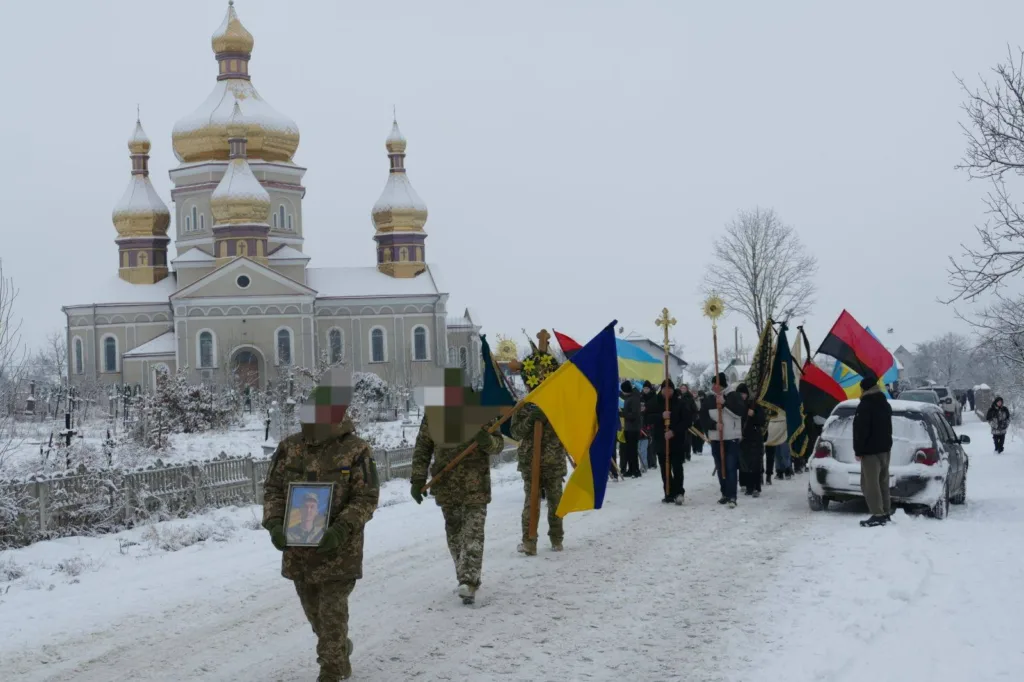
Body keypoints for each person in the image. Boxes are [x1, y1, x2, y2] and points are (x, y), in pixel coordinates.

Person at [262, 369, 380, 682]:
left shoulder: (356, 450)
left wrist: (341, 529)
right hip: (299, 550)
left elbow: (366, 497)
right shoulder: (290, 448)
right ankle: (337, 648)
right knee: (315, 613)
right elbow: (273, 489)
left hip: (339, 550)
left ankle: (332, 669)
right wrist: (274, 524)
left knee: (331, 612)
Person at [410, 412, 505, 605]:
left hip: (475, 484)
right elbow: (423, 447)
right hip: (446, 485)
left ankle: (468, 581)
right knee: (455, 536)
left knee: (473, 533)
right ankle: (465, 575)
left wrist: (487, 441)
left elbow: (498, 445)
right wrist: (418, 478)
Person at [511, 403, 569, 555]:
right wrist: (530, 419)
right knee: (531, 503)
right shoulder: (523, 406)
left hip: (554, 462)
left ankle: (556, 539)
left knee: (555, 502)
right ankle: (529, 541)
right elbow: (516, 433)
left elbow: (568, 430)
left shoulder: (558, 404)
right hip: (530, 463)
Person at [853, 373, 893, 527]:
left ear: (865, 389)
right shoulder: (884, 403)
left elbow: (860, 430)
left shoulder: (865, 405)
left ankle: (877, 514)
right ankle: (886, 511)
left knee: (870, 484)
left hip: (870, 451)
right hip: (885, 449)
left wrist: (858, 450)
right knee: (883, 481)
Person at [700, 373, 745, 507]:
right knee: (721, 467)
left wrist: (725, 404)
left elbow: (740, 413)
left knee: (730, 467)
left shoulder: (734, 396)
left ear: (722, 385)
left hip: (731, 437)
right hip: (716, 438)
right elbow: (703, 417)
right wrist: (714, 426)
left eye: (716, 384)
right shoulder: (709, 399)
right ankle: (724, 493)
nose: (714, 386)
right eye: (713, 384)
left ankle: (732, 496)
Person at [645, 379, 690, 504]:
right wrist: (661, 416)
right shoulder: (654, 402)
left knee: (677, 467)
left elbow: (687, 421)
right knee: (665, 468)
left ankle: (679, 492)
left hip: (677, 441)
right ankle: (669, 492)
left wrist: (673, 431)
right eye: (665, 389)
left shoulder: (680, 403)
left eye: (670, 389)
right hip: (661, 440)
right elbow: (646, 418)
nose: (667, 392)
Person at [736, 383, 766, 497]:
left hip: (754, 438)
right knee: (745, 464)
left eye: (743, 394)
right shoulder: (736, 406)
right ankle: (748, 486)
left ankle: (756, 487)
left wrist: (753, 415)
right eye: (739, 394)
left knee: (755, 463)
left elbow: (762, 421)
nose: (742, 396)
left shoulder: (754, 405)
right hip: (742, 438)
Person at [620, 381, 643, 477]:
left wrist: (622, 414)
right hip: (628, 427)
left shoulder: (634, 398)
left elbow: (634, 414)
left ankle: (636, 470)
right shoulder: (629, 397)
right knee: (629, 450)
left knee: (632, 450)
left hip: (633, 428)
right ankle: (631, 469)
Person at [677, 384, 698, 462]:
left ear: (687, 389)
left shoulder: (690, 398)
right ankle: (681, 456)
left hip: (687, 421)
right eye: (681, 388)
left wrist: (692, 420)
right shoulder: (677, 397)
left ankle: (687, 455)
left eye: (684, 388)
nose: (683, 389)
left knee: (687, 440)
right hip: (679, 422)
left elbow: (694, 410)